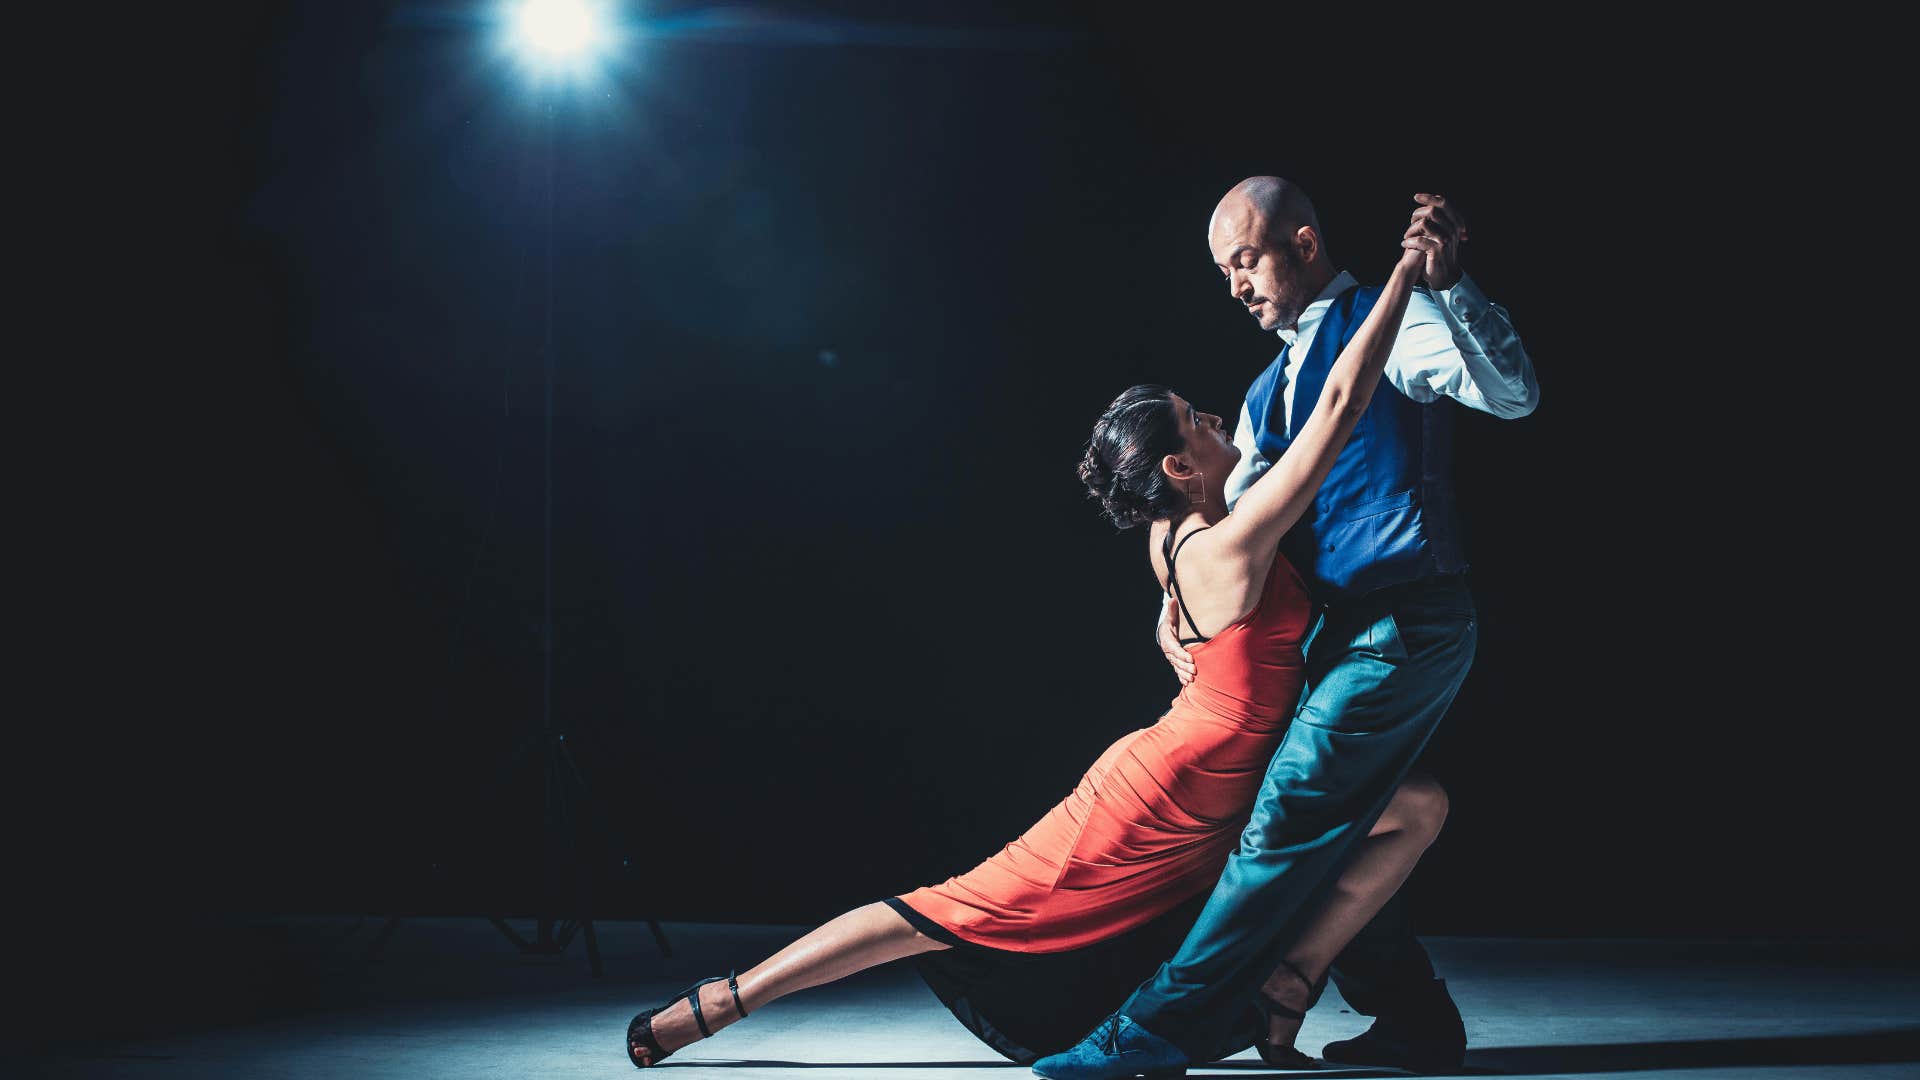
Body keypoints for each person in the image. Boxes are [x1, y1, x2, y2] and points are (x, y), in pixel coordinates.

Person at [624, 224, 1441, 1070]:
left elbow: (1185, 625)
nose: (1218, 419)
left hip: (1231, 773)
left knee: (1417, 808)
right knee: (951, 911)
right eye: (1200, 422)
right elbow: (1342, 406)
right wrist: (1401, 279)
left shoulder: (1178, 534)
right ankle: (721, 1002)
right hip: (1164, 795)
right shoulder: (1231, 547)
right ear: (1177, 468)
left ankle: (1288, 988)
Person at [1034, 180, 1538, 1080]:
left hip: (1406, 617)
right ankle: (1413, 1019)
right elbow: (1226, 514)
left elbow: (1512, 397)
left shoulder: (1399, 322)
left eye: (1246, 260)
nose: (1234, 285)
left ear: (1303, 244)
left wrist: (1454, 292)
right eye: (1222, 270)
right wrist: (1170, 591)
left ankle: (1155, 1031)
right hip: (1333, 638)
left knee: (1288, 820)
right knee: (1348, 821)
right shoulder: (1264, 392)